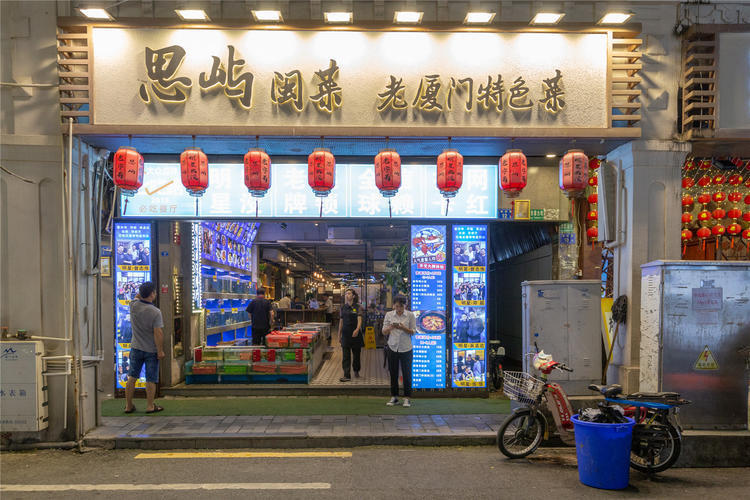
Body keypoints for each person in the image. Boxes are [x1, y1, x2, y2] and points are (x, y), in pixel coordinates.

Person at [124, 282, 165, 414]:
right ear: (152, 294)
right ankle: (150, 406)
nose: (156, 294)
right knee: (150, 379)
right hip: (151, 350)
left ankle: (129, 406)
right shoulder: (155, 312)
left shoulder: (133, 305)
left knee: (132, 377)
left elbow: (136, 296)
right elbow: (158, 333)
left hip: (136, 347)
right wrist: (160, 350)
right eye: (154, 292)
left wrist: (141, 294)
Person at [382, 295, 416, 407]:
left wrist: (403, 328)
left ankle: (407, 398)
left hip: (406, 348)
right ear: (394, 305)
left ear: (405, 305)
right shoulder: (389, 315)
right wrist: (391, 327)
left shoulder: (410, 315)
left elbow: (413, 332)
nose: (399, 309)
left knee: (407, 374)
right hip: (392, 347)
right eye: (397, 306)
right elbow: (384, 332)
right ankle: (394, 397)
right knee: (393, 373)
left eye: (401, 306)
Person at [339, 288, 363, 382]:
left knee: (356, 355)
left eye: (349, 293)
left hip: (355, 335)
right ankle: (346, 375)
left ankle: (356, 370)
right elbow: (341, 322)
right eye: (346, 294)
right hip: (345, 334)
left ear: (353, 296)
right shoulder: (343, 307)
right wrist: (338, 335)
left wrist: (357, 329)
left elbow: (359, 319)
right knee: (345, 356)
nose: (347, 295)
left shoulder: (358, 307)